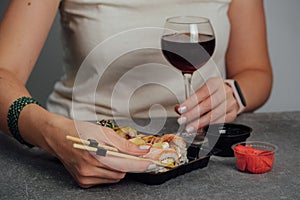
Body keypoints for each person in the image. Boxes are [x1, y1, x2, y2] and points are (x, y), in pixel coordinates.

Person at [0, 0, 272, 187]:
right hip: (78, 155)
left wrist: (233, 93)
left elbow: (256, 72)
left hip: (193, 162)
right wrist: (52, 132)